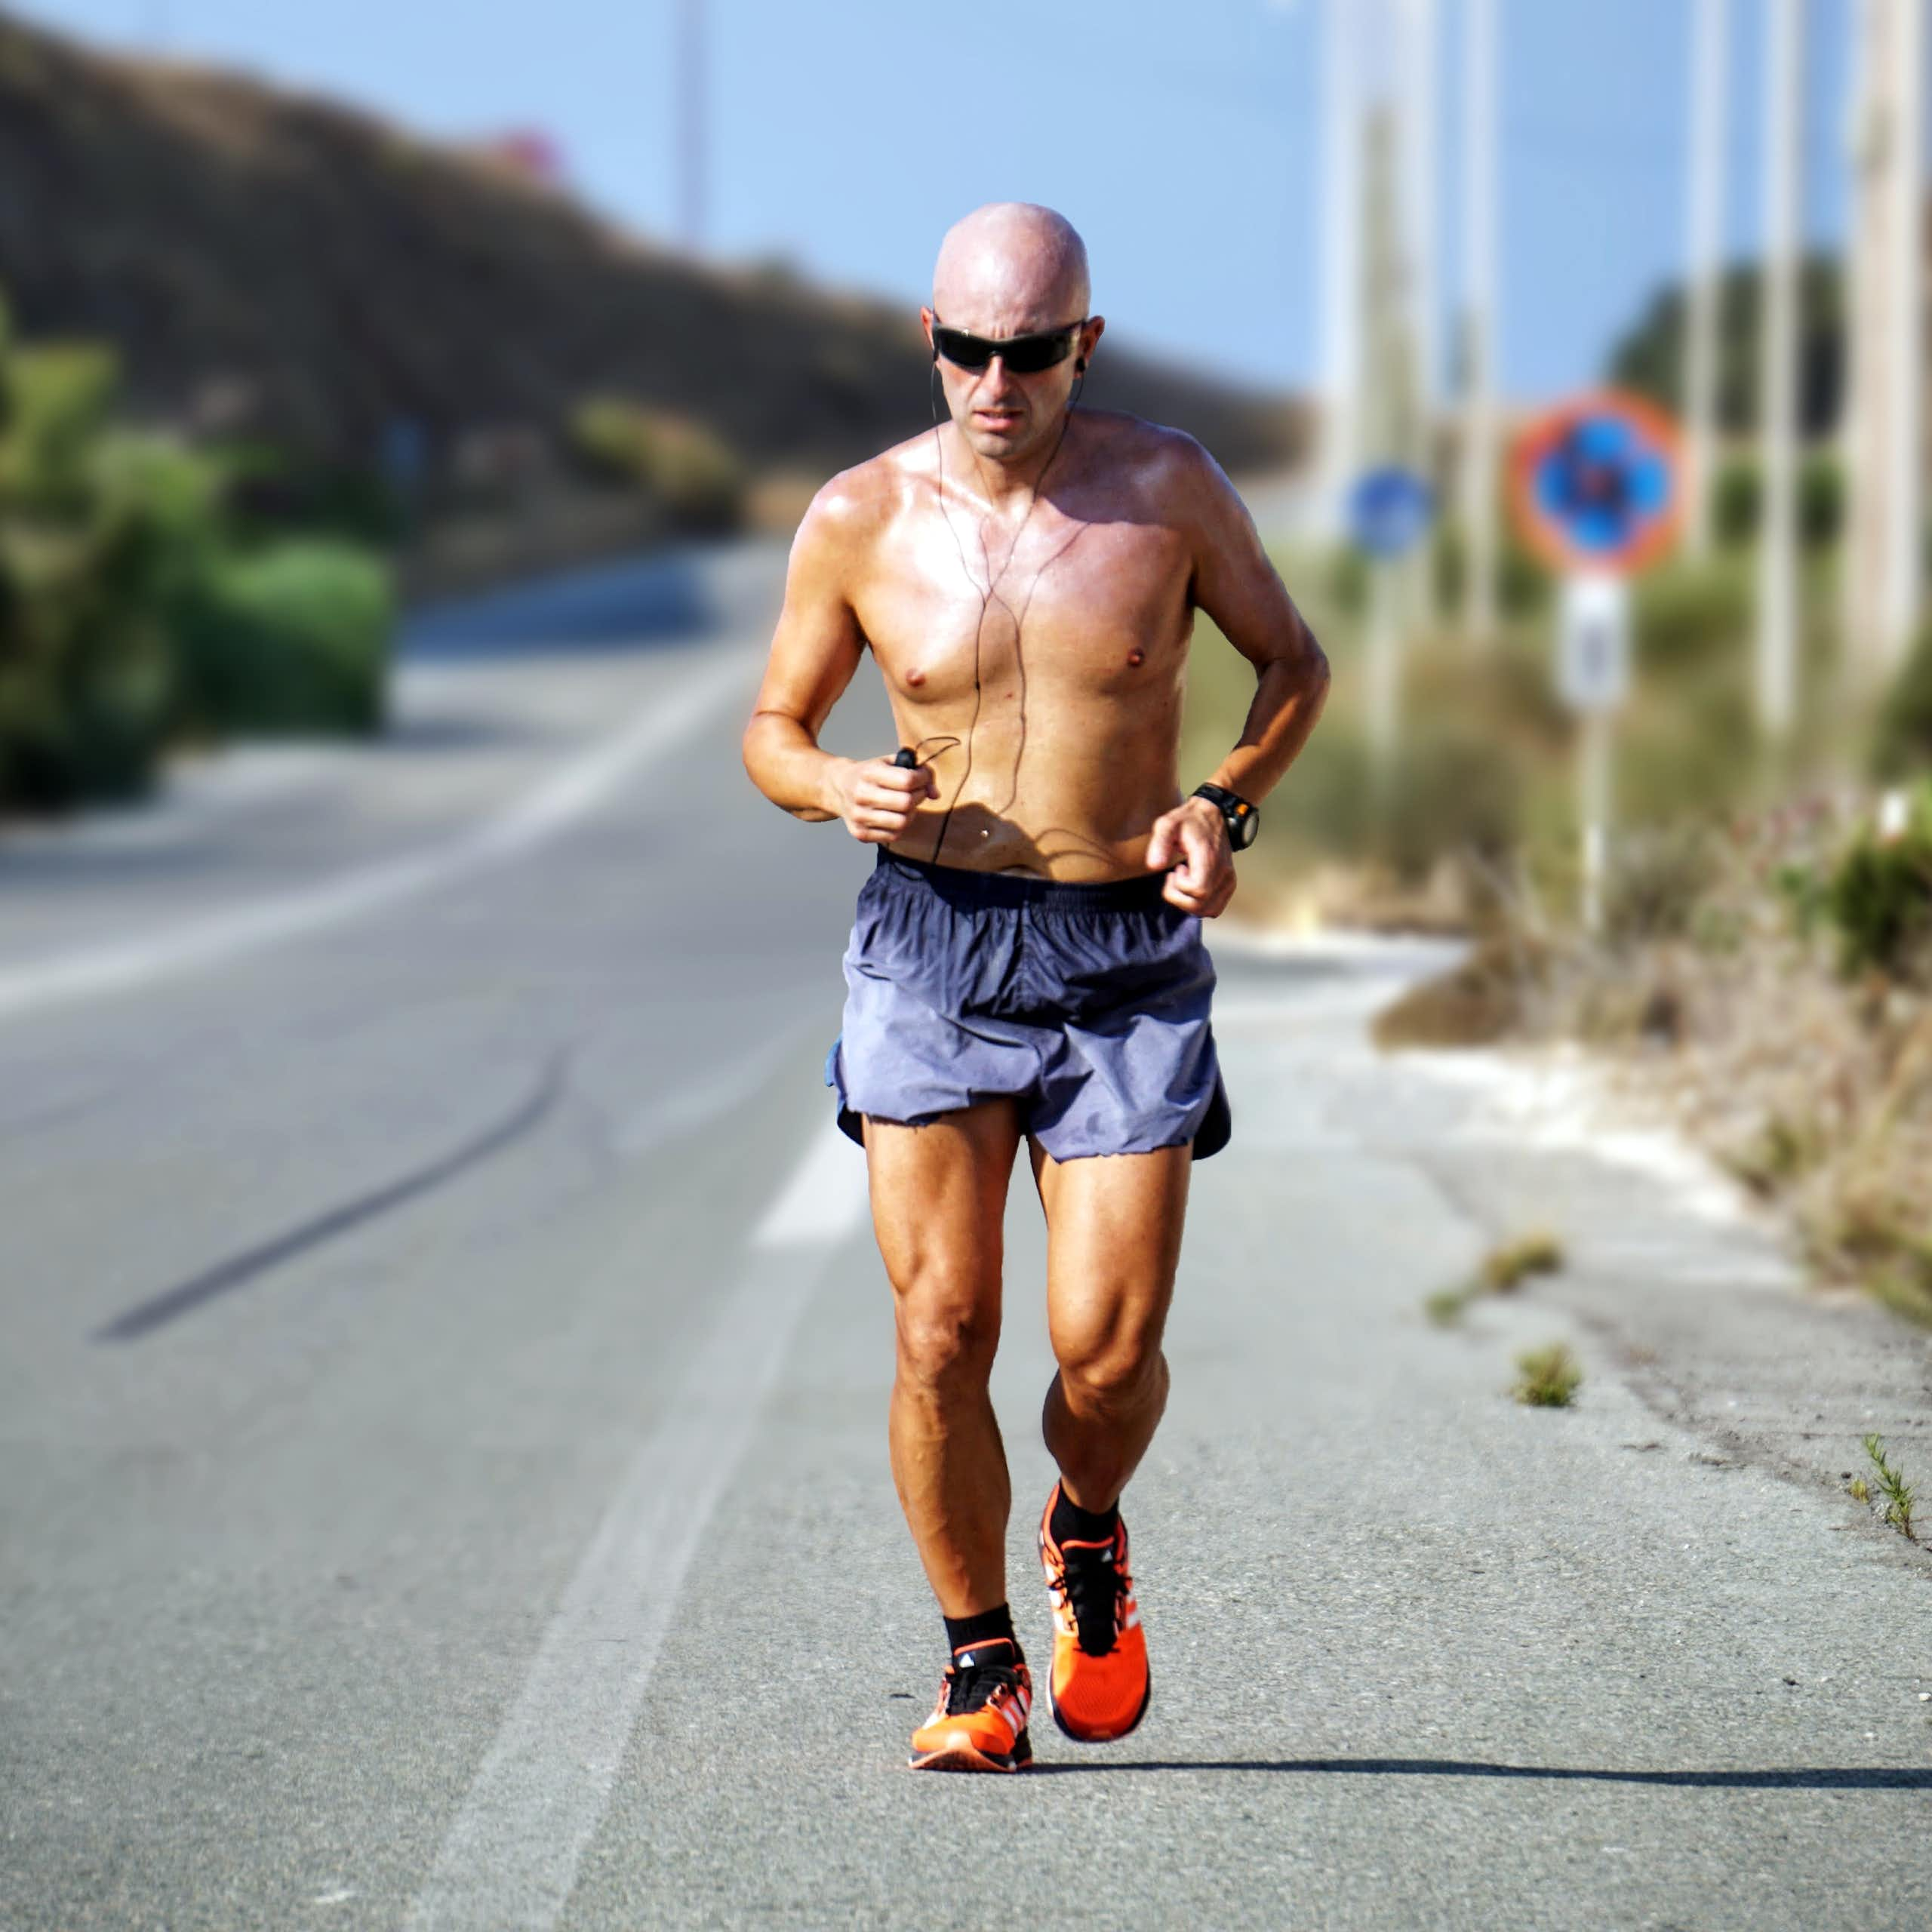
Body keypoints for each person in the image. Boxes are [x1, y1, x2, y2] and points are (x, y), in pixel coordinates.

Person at [742, 202, 1329, 1772]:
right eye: (963, 349)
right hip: (929, 939)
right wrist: (823, 786)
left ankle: (1083, 1523)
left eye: (1025, 352)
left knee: (1105, 1352)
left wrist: (1220, 803)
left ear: (1083, 343)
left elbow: (1293, 662)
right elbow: (771, 725)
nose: (991, 382)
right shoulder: (859, 515)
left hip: (1121, 950)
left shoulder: (1167, 491)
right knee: (940, 1327)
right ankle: (978, 1659)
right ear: (926, 340)